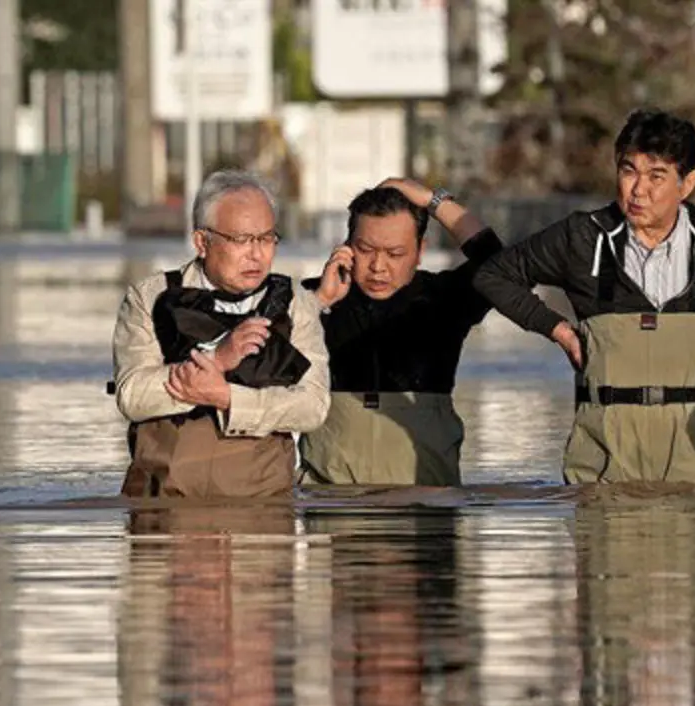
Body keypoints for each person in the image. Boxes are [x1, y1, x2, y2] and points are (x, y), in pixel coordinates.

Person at [472, 108, 695, 485]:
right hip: (603, 463)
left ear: (688, 183)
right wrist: (557, 329)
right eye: (628, 171)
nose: (638, 189)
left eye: (656, 175)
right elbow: (493, 274)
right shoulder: (583, 237)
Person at [111, 169, 331, 499]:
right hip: (163, 508)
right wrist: (216, 359)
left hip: (263, 511)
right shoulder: (151, 296)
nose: (257, 254)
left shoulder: (294, 302)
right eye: (241, 240)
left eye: (267, 238)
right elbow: (131, 396)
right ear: (202, 242)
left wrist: (227, 398)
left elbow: (312, 406)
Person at [298, 178, 502, 486]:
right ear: (346, 247)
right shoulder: (313, 298)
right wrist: (318, 303)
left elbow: (499, 263)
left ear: (420, 251)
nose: (378, 266)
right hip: (332, 508)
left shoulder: (444, 300)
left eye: (394, 253)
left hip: (425, 508)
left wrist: (434, 201)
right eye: (365, 250)